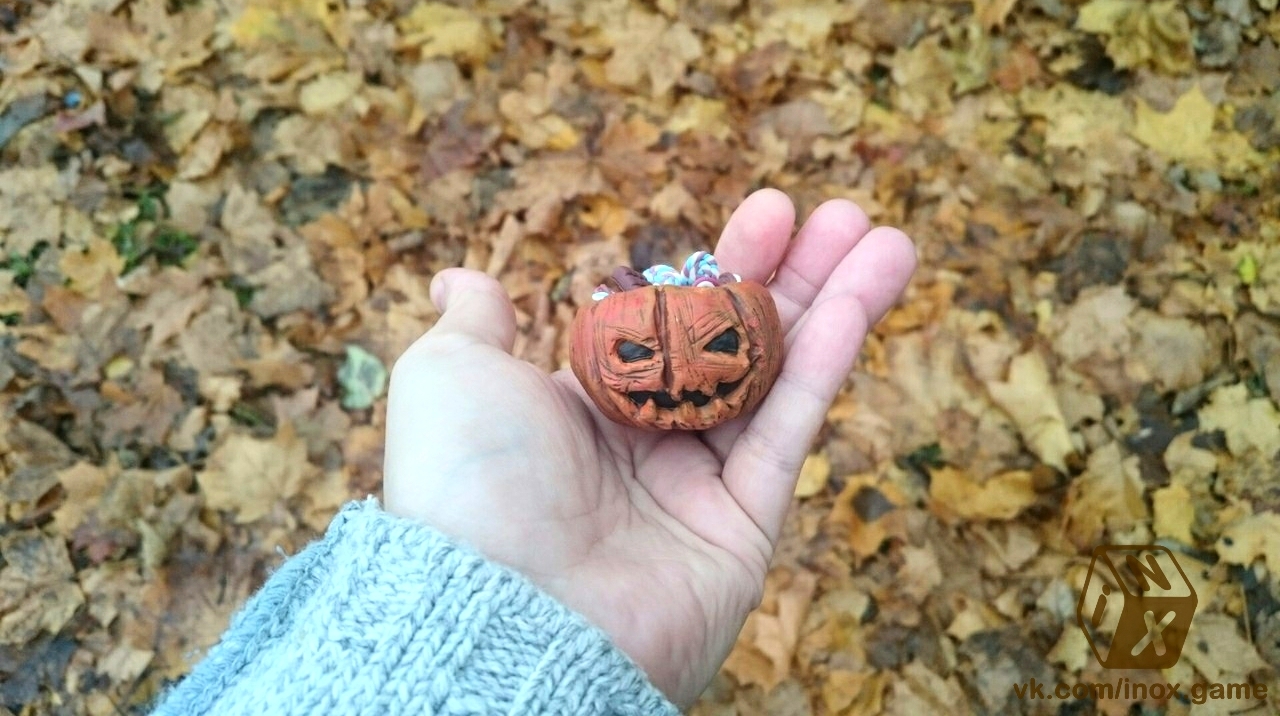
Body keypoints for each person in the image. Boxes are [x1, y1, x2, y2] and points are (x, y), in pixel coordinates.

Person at [149, 190, 917, 715]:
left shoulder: (734, 319)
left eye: (719, 344)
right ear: (603, 343)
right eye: (637, 354)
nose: (681, 377)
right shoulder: (613, 341)